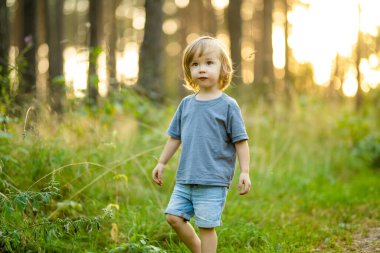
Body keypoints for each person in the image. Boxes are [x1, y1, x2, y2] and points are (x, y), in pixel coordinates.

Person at [152, 36, 251, 253]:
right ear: (189, 71)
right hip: (185, 177)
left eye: (209, 63)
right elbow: (175, 137)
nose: (201, 69)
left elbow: (240, 141)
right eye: (195, 64)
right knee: (173, 217)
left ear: (223, 68)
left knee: (206, 226)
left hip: (213, 179)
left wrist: (244, 171)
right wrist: (161, 162)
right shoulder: (186, 104)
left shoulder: (227, 106)